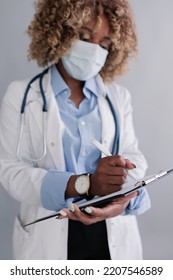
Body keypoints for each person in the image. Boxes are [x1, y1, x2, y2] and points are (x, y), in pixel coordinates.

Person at [0, 0, 151, 260]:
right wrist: (85, 184)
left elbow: (133, 160)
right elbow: (11, 172)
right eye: (84, 37)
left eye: (104, 45)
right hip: (48, 234)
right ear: (59, 31)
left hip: (110, 232)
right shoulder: (22, 95)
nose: (94, 51)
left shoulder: (118, 98)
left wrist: (123, 198)